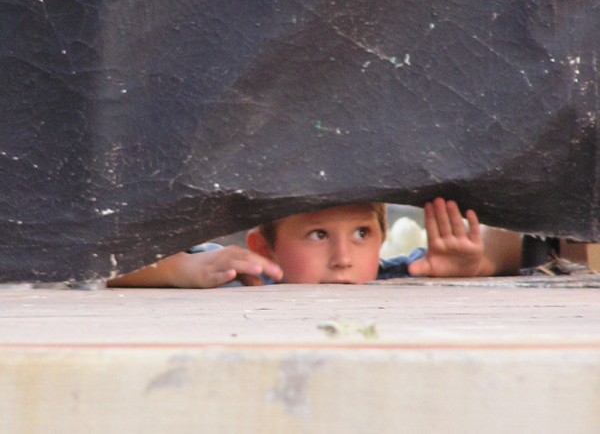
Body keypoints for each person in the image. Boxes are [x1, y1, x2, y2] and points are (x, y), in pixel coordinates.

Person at [107, 198, 521, 288]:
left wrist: (479, 262)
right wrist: (181, 268)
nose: (343, 259)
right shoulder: (243, 277)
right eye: (318, 235)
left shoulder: (398, 275)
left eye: (362, 234)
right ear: (263, 248)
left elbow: (521, 241)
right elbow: (103, 269)